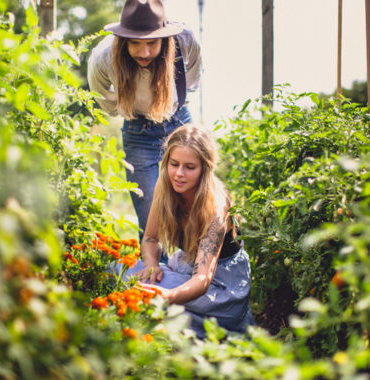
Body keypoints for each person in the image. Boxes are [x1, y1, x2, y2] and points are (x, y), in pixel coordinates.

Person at [120, 123, 255, 338]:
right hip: (185, 269)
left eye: (190, 167)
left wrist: (169, 296)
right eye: (174, 164)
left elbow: (202, 279)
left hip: (221, 288)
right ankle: (189, 323)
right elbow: (150, 238)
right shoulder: (165, 188)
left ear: (205, 168)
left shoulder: (216, 206)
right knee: (120, 270)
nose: (179, 174)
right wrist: (152, 265)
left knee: (133, 286)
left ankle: (217, 325)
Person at [87, 0, 202, 246]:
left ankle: (195, 271)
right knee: (150, 211)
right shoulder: (103, 56)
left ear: (164, 38)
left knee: (193, 205)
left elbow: (193, 76)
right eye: (135, 44)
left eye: (152, 43)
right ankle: (154, 277)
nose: (145, 53)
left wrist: (173, 100)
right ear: (123, 40)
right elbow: (103, 98)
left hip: (180, 122)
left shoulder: (184, 41)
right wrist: (133, 107)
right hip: (139, 134)